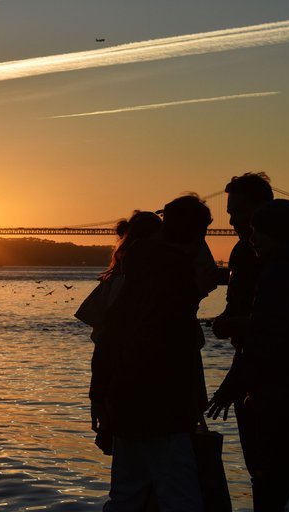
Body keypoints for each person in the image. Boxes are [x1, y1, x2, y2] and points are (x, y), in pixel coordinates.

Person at [97, 195, 213, 511]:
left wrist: (100, 397)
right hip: (163, 406)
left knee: (125, 494)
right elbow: (172, 344)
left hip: (126, 402)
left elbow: (108, 338)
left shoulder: (133, 272)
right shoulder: (175, 275)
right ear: (197, 233)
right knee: (181, 495)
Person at [206, 172, 274, 497]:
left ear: (264, 209)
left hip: (266, 376)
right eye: (230, 213)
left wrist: (231, 325)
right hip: (247, 367)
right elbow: (239, 308)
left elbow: (271, 323)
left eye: (241, 213)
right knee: (260, 474)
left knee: (268, 474)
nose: (233, 221)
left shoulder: (271, 258)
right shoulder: (240, 251)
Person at [81, 210, 162, 455]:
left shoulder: (115, 282)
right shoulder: (142, 285)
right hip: (139, 389)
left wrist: (97, 397)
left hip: (119, 386)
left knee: (127, 472)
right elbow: (109, 340)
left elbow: (103, 342)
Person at [238, 199, 289, 511]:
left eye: (258, 231)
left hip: (276, 399)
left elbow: (266, 336)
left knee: (271, 480)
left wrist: (236, 386)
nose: (251, 238)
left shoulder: (277, 273)